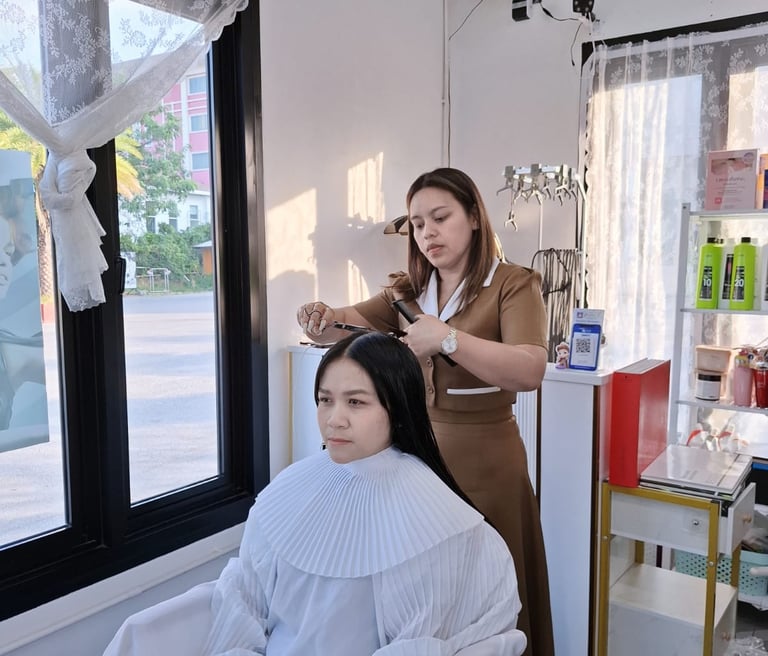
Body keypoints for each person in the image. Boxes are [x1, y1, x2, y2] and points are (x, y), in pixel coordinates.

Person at [297, 167, 554, 656]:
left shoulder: (512, 284)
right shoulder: (406, 292)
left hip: (487, 463)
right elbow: (340, 326)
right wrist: (318, 319)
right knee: (428, 593)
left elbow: (529, 370)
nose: (427, 233)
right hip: (417, 462)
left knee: (493, 589)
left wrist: (449, 339)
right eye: (417, 224)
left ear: (474, 217)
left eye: (440, 217)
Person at [202, 331, 527, 655]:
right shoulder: (287, 491)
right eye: (325, 400)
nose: (334, 420)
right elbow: (246, 605)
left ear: (397, 408)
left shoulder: (446, 525)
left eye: (355, 402)